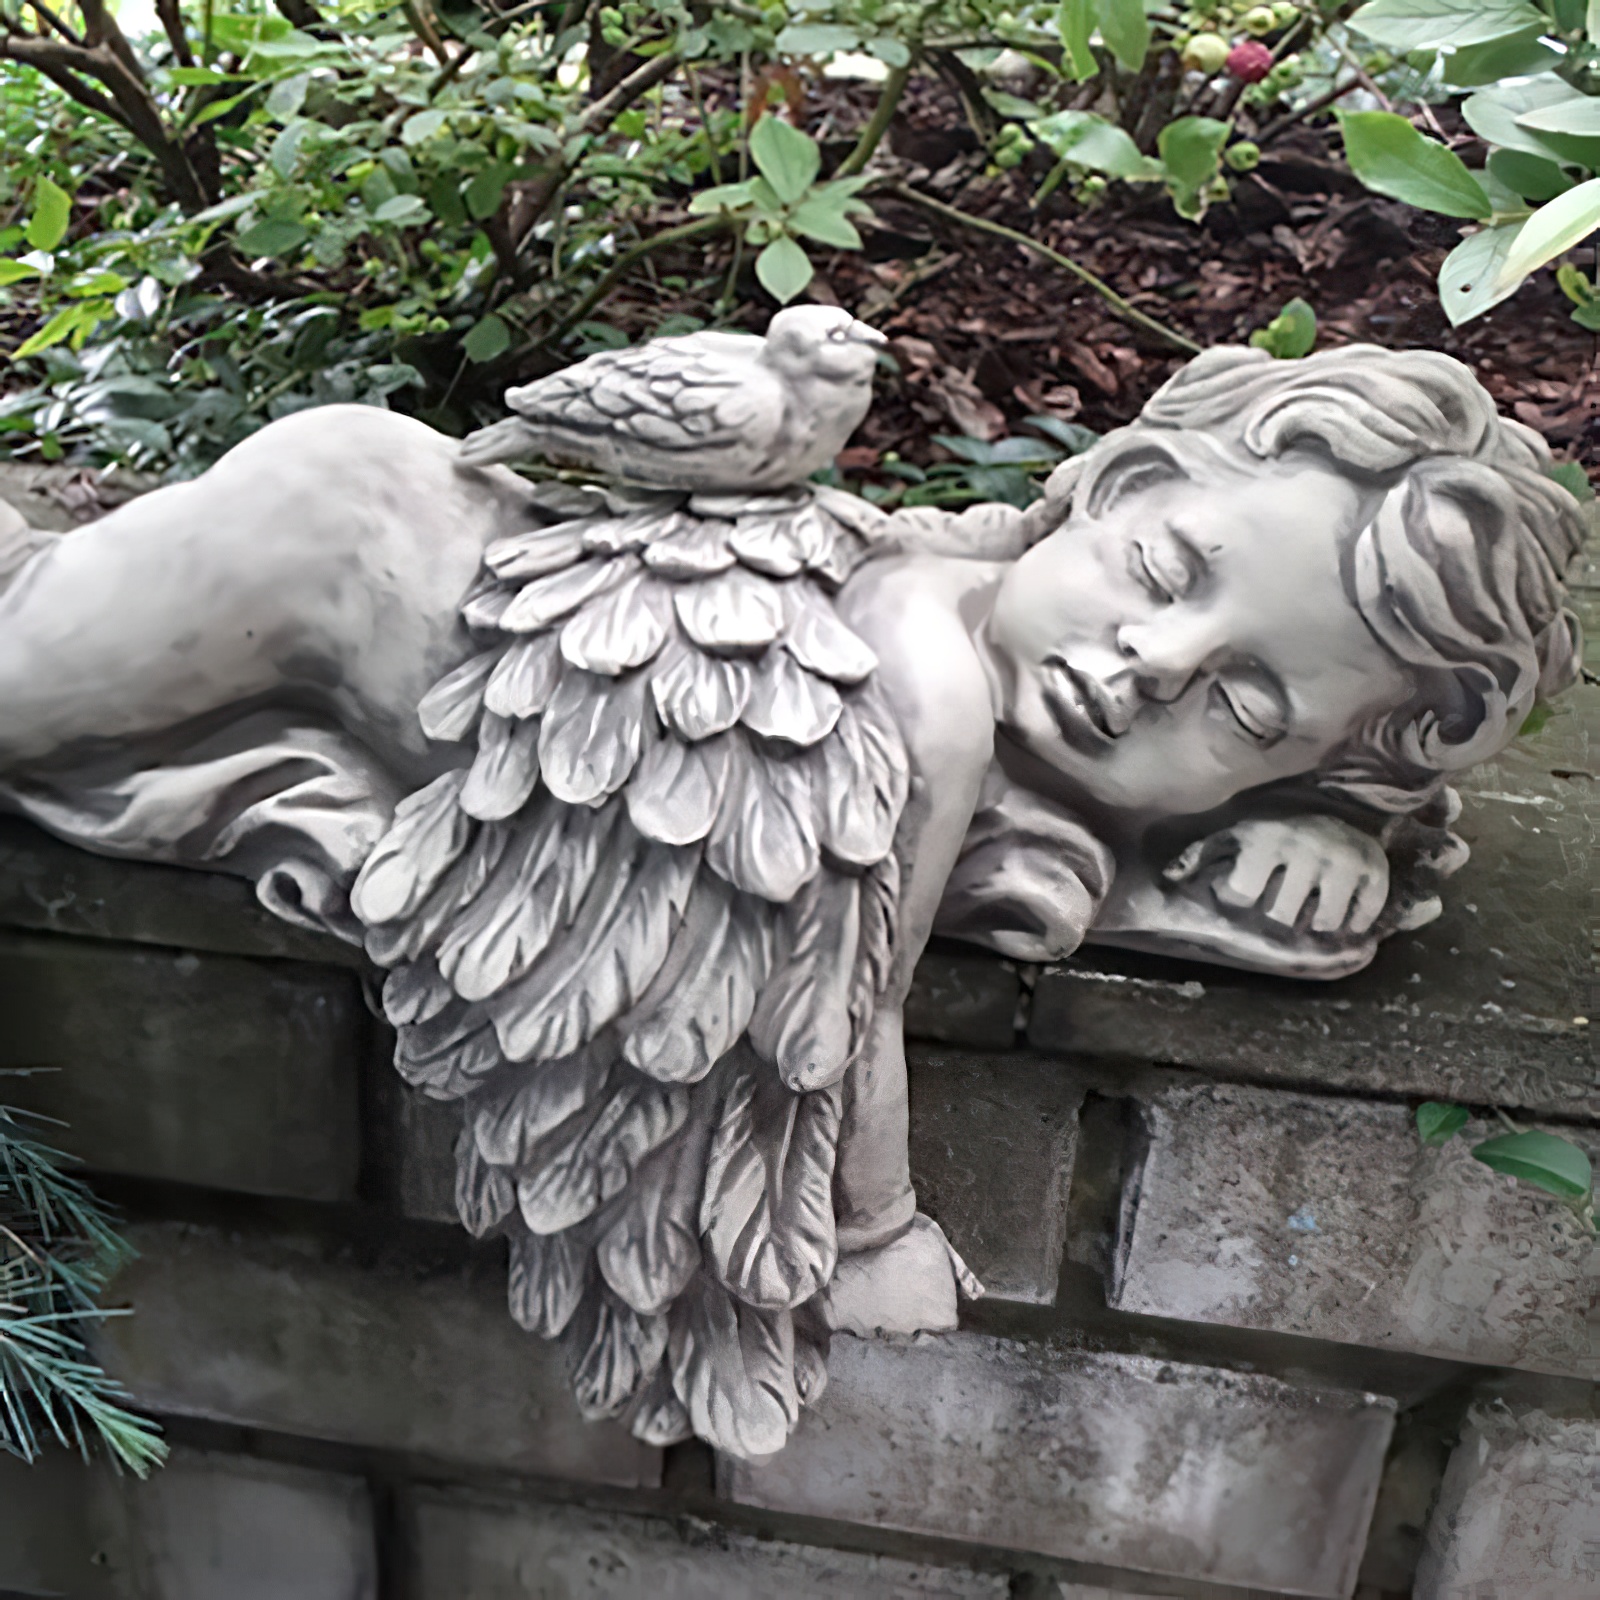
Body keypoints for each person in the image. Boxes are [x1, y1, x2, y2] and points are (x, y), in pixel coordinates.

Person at [0, 341, 1583, 1372]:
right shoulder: (937, 702)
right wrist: (876, 1239)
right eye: (1161, 568)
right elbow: (836, 1021)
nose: (1152, 663)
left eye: (1248, 706)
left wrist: (1321, 829)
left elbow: (1147, 827)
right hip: (343, 548)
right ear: (1103, 495)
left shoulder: (989, 597)